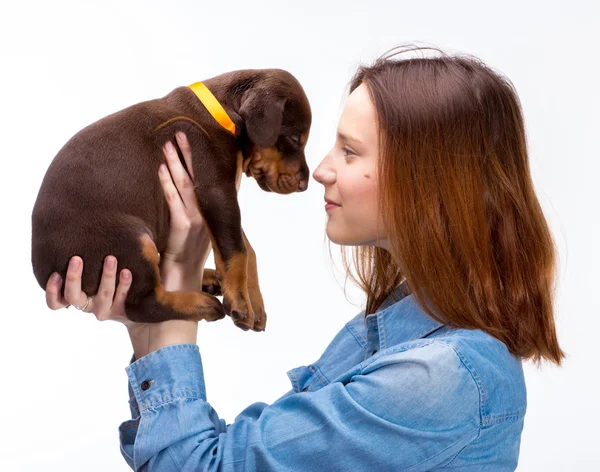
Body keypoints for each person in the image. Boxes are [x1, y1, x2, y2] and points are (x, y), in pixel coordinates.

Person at [44, 45, 565, 471]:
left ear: (427, 182)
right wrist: (150, 320)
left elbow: (204, 467)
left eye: (349, 151)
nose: (319, 170)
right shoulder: (395, 331)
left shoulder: (439, 379)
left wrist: (177, 287)